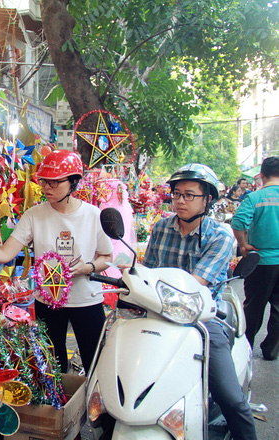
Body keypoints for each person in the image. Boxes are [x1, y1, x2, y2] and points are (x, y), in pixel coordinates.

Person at [0, 150, 113, 374]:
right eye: (44, 182)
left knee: (95, 363)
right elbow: (5, 253)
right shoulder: (33, 215)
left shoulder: (93, 215)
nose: (47, 188)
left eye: (55, 182)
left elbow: (107, 257)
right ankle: (62, 409)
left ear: (73, 182)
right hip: (47, 301)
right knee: (52, 368)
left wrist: (88, 268)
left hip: (86, 300)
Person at [143, 163, 257, 440]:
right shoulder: (160, 227)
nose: (181, 200)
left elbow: (196, 283)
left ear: (207, 200)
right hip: (157, 315)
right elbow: (147, 271)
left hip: (203, 321)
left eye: (189, 195)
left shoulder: (220, 235)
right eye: (177, 194)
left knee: (230, 397)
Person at [232, 156, 279, 361]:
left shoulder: (255, 198)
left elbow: (238, 221)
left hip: (261, 261)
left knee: (253, 306)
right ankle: (271, 349)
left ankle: (246, 348)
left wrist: (243, 245)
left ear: (262, 175)